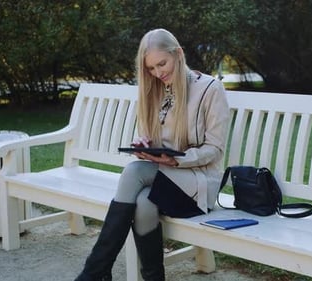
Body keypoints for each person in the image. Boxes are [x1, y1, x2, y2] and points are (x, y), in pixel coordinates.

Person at [75, 28, 230, 281]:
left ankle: (94, 272)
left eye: (162, 63)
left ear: (178, 54)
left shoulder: (210, 90)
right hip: (164, 178)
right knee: (144, 203)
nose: (158, 73)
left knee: (134, 171)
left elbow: (215, 149)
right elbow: (154, 137)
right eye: (151, 68)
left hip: (198, 184)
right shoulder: (157, 90)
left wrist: (176, 159)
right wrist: (144, 144)